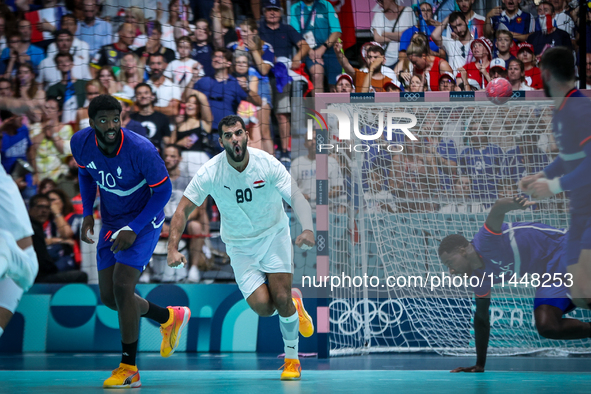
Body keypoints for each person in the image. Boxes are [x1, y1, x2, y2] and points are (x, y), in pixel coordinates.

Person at [167, 115, 315, 380]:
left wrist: (307, 228)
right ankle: (296, 302)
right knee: (264, 307)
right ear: (221, 141)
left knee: (280, 299)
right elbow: (182, 210)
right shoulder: (211, 171)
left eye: (238, 133)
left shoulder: (267, 163)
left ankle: (292, 360)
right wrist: (172, 248)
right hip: (239, 246)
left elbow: (295, 196)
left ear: (246, 135)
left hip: (273, 236)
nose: (234, 139)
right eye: (228, 135)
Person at [70, 94, 190, 388]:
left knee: (123, 288)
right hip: (111, 220)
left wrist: (134, 228)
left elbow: (163, 192)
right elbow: (85, 174)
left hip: (144, 220)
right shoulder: (80, 143)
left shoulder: (141, 149)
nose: (111, 125)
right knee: (110, 298)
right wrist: (88, 213)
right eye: (103, 120)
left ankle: (129, 368)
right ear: (91, 122)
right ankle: (168, 317)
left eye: (115, 119)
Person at [439, 196, 591, 373]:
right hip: (549, 272)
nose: (451, 271)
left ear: (462, 251)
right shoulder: (478, 278)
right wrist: (480, 364)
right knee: (547, 326)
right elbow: (481, 319)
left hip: (562, 247)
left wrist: (514, 204)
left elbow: (497, 208)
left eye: (450, 263)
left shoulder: (485, 240)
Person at [520, 47, 591, 309]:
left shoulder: (580, 108)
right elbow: (570, 158)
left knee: (586, 288)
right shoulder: (561, 109)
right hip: (579, 212)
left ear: (546, 74)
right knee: (581, 296)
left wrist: (553, 186)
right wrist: (543, 174)